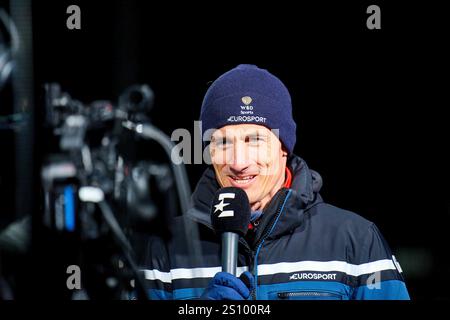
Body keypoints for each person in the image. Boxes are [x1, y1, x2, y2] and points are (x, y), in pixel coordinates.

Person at [139, 64, 410, 300]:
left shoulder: (354, 241)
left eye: (254, 140)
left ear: (283, 148)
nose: (238, 161)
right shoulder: (166, 249)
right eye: (223, 142)